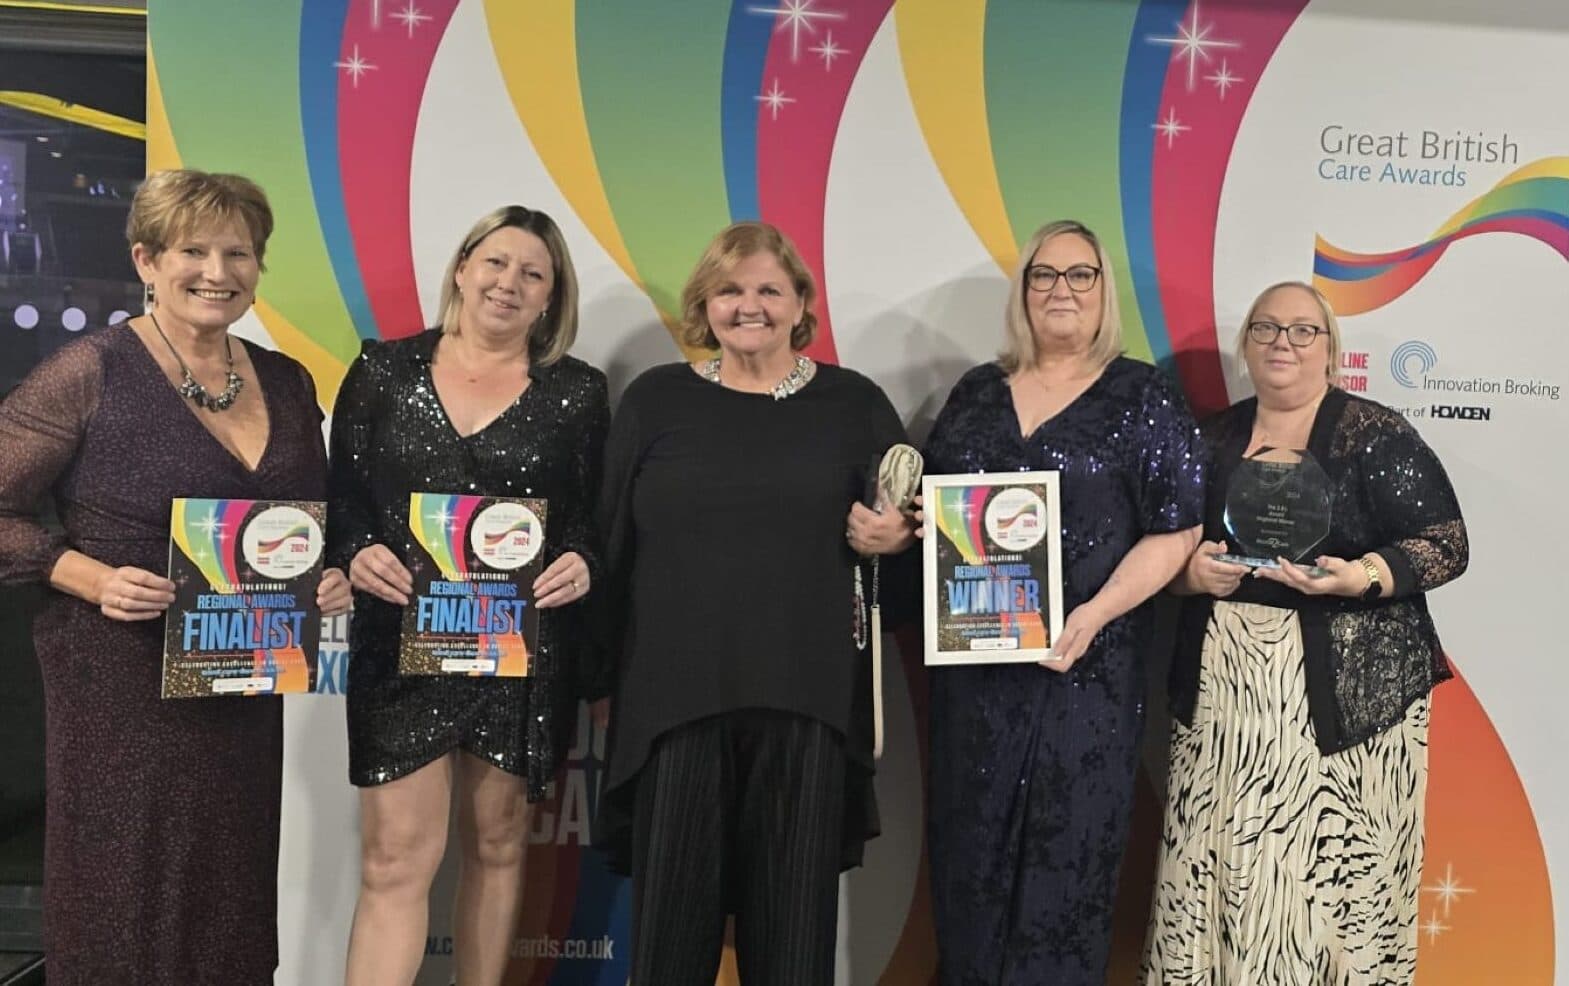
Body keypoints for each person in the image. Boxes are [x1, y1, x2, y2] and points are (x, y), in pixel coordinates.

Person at [0, 169, 351, 984]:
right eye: (194, 249)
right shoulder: (92, 370)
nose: (217, 272)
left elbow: (303, 518)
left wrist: (325, 571)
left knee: (228, 894)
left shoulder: (289, 383)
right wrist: (85, 574)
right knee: (127, 897)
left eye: (239, 252)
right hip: (121, 690)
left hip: (243, 685)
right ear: (147, 260)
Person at [592, 221, 917, 984]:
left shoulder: (854, 404)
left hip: (805, 702)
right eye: (730, 291)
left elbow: (908, 543)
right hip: (672, 704)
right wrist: (597, 678)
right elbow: (610, 546)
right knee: (670, 946)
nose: (749, 306)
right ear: (703, 305)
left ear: (801, 302)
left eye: (769, 289)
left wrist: (895, 538)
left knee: (792, 946)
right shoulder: (653, 401)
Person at [1142, 281, 1468, 984]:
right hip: (1226, 698)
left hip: (1346, 707)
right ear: (1245, 346)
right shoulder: (1210, 440)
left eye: (1300, 330)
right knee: (1226, 874)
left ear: (1329, 350)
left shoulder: (1372, 434)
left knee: (1335, 893)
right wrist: (1191, 577)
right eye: (1265, 329)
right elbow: (1158, 555)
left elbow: (1445, 542)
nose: (1281, 343)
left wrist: (1361, 577)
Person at [328, 205, 608, 986]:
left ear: (551, 297)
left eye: (532, 274)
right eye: (495, 263)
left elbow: (592, 519)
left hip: (519, 656)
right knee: (392, 862)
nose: (508, 284)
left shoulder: (579, 394)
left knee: (497, 848)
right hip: (399, 646)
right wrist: (356, 551)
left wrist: (583, 561)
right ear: (461, 267)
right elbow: (340, 499)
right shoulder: (382, 371)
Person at [922, 219, 1206, 984]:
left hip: (1086, 673)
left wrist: (1096, 612)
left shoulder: (1141, 394)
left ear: (1103, 292)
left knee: (1064, 872)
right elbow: (940, 513)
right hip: (974, 682)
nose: (1060, 291)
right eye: (1044, 275)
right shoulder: (977, 392)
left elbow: (1176, 530)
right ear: (1022, 292)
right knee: (968, 866)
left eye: (1080, 276)